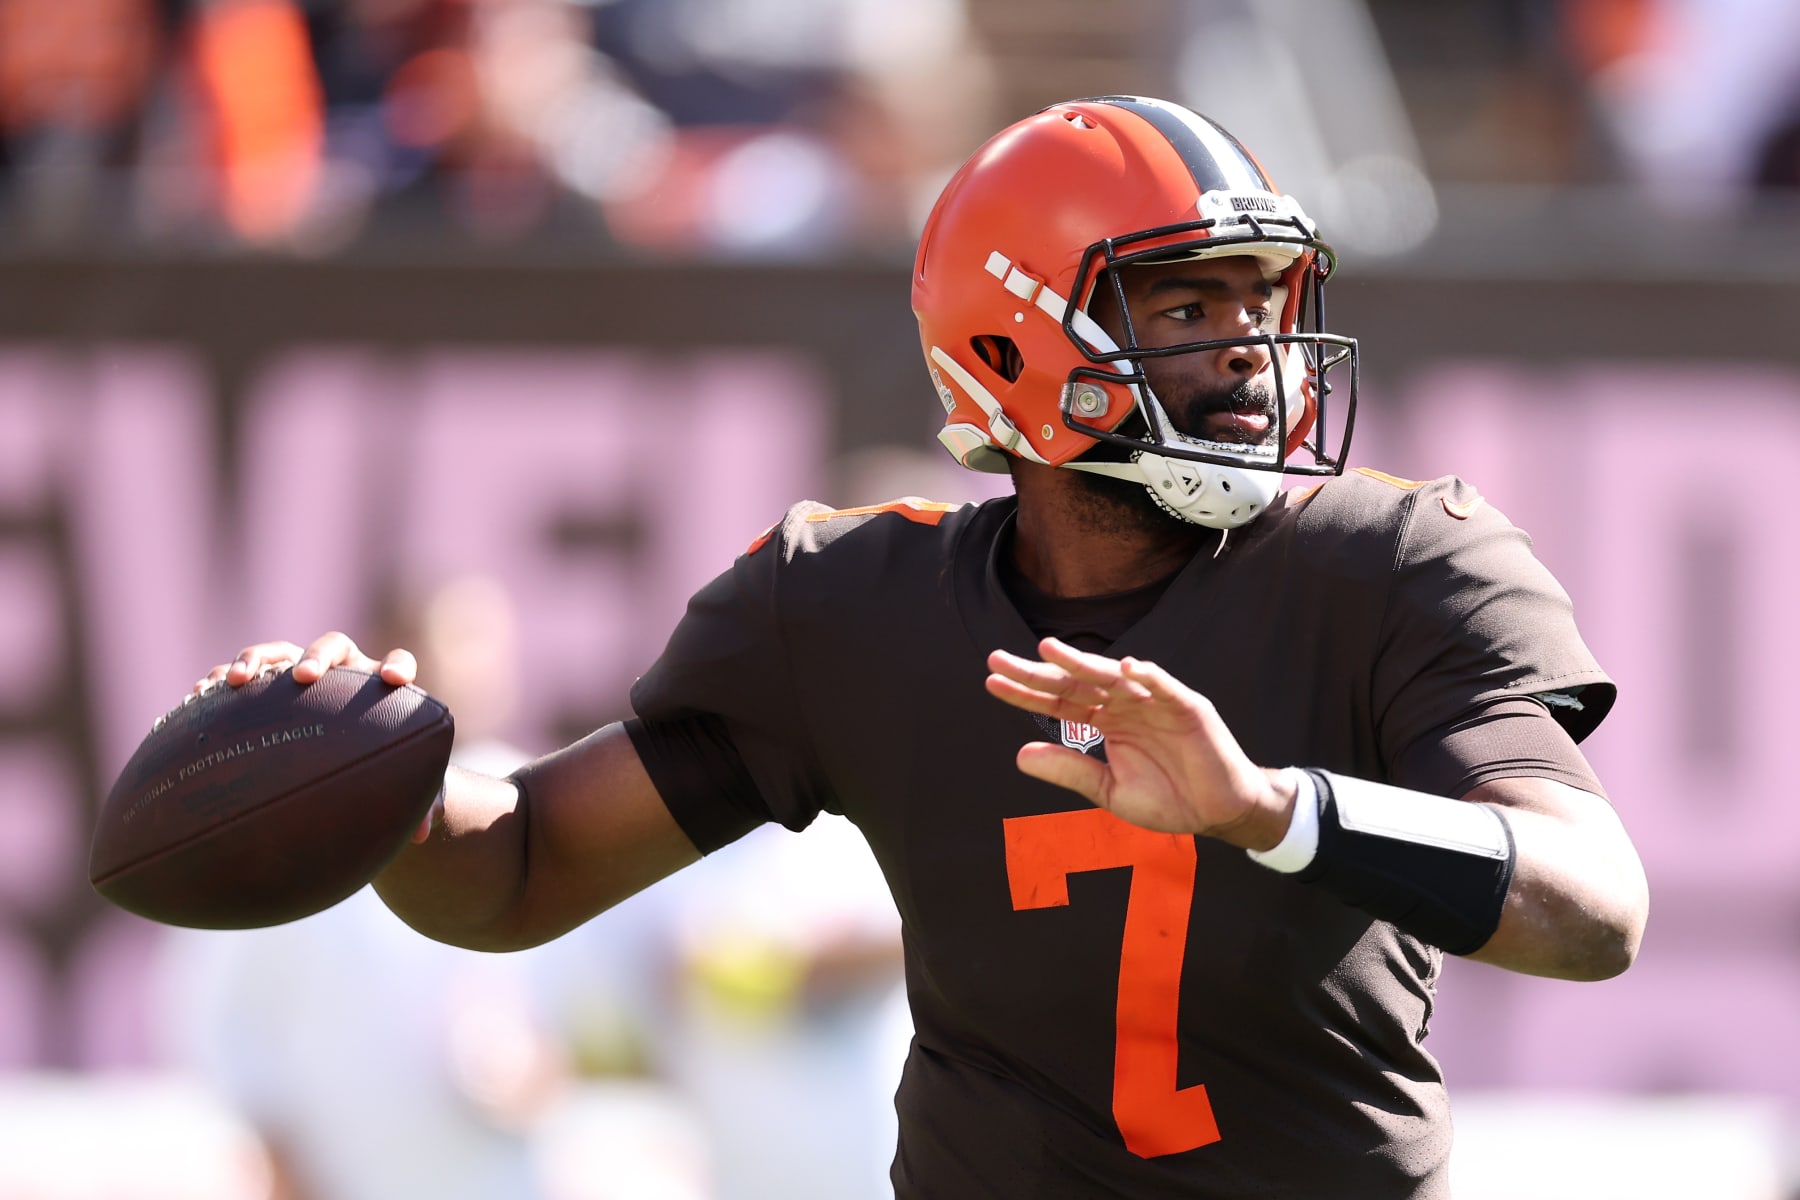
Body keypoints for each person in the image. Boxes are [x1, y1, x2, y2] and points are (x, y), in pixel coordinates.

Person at [197, 96, 1649, 1197]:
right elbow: (517, 873)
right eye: (1190, 306)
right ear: (1013, 346)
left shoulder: (1398, 561)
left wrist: (1273, 813)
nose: (1251, 360)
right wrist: (370, 764)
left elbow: (1590, 905)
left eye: (1262, 310)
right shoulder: (845, 606)